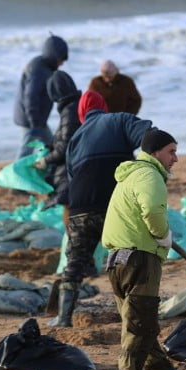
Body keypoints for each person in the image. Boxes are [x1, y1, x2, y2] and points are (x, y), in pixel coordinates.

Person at [102, 127, 186, 370]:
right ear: (155, 153)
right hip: (140, 259)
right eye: (171, 152)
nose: (175, 159)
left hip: (117, 259)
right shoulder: (149, 175)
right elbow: (151, 210)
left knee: (142, 322)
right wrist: (162, 234)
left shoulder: (130, 176)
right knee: (140, 326)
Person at [50, 90, 151, 327]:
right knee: (127, 255)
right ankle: (132, 312)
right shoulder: (120, 120)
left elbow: (70, 176)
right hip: (114, 207)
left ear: (82, 113)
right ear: (103, 107)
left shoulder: (75, 138)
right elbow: (149, 137)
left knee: (74, 263)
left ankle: (64, 318)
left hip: (80, 209)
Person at [13, 34, 68, 159]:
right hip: (30, 120)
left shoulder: (45, 66)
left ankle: (47, 174)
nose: (62, 63)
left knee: (49, 146)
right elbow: (30, 97)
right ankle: (14, 175)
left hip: (37, 119)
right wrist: (34, 124)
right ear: (53, 56)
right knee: (27, 149)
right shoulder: (38, 69)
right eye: (61, 59)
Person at [33, 70, 82, 207]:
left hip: (70, 170)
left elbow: (65, 146)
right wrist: (50, 147)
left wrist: (45, 160)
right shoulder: (75, 105)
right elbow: (65, 137)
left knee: (66, 203)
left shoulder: (69, 111)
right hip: (77, 165)